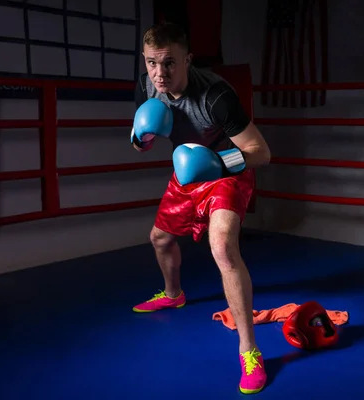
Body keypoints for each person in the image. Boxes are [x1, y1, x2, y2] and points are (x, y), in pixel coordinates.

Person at [130, 22, 271, 395]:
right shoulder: (148, 86)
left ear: (187, 60)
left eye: (170, 63)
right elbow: (143, 143)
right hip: (187, 170)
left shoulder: (215, 95)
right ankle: (173, 293)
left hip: (226, 170)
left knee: (222, 247)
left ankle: (249, 350)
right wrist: (141, 137)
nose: (160, 74)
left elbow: (261, 152)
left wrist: (217, 165)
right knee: (159, 239)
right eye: (152, 63)